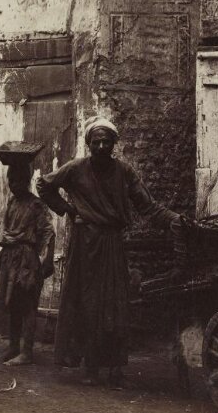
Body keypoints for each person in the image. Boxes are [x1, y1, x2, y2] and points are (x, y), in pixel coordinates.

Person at [38, 116, 181, 389]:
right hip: (85, 244)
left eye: (107, 142)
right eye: (96, 142)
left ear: (114, 144)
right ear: (89, 144)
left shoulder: (124, 172)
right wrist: (67, 209)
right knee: (89, 304)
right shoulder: (76, 168)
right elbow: (44, 185)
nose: (102, 146)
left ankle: (115, 367)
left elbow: (147, 206)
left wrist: (176, 220)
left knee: (116, 304)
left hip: (113, 245)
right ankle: (90, 367)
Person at [0, 161, 55, 366]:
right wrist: (5, 238)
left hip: (27, 259)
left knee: (27, 303)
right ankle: (13, 346)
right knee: (13, 303)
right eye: (11, 180)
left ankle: (27, 351)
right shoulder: (11, 202)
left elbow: (48, 232)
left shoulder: (36, 204)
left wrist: (47, 258)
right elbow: (3, 227)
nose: (14, 184)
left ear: (27, 181)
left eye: (18, 180)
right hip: (10, 257)